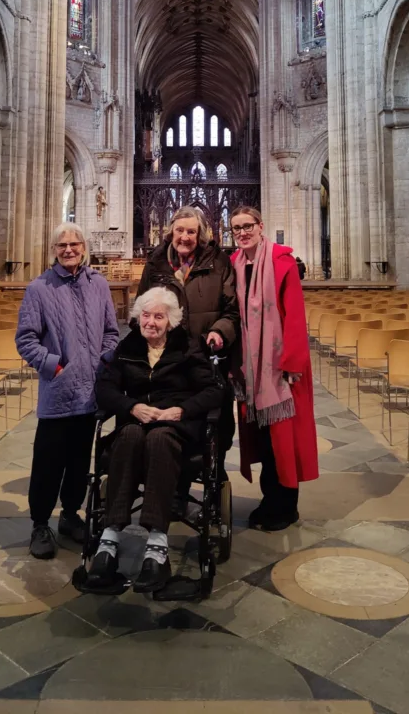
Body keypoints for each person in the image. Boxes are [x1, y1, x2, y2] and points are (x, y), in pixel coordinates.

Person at [88, 287, 224, 592]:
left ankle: (157, 543)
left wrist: (181, 410)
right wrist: (131, 407)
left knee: (160, 439)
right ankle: (109, 538)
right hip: (136, 422)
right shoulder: (127, 347)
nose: (151, 322)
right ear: (138, 317)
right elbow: (104, 389)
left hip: (174, 429)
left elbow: (214, 390)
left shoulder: (188, 348)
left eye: (159, 316)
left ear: (171, 320)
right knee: (130, 435)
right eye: (146, 315)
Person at [16, 222, 119, 560]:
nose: (69, 250)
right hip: (58, 393)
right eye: (62, 245)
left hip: (89, 392)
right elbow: (26, 339)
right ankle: (40, 524)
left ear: (84, 247)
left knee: (79, 461)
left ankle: (71, 515)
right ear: (54, 250)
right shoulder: (39, 289)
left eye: (75, 244)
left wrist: (102, 363)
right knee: (48, 461)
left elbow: (111, 332)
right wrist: (54, 366)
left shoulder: (99, 284)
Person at [229, 206, 318, 531]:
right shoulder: (234, 265)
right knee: (264, 441)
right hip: (252, 371)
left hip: (280, 371)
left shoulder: (283, 262)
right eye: (236, 228)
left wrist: (290, 364)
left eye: (247, 225)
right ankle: (270, 500)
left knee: (284, 441)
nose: (242, 232)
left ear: (260, 226)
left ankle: (285, 506)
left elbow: (294, 314)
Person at [137, 205, 239, 486]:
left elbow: (232, 311)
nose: (185, 237)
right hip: (167, 361)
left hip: (207, 359)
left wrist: (219, 331)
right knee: (169, 422)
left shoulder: (219, 262)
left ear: (200, 234)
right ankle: (172, 484)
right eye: (180, 230)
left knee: (215, 422)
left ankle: (214, 468)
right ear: (170, 232)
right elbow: (141, 309)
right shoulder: (156, 262)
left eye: (191, 231)